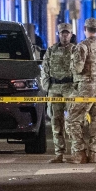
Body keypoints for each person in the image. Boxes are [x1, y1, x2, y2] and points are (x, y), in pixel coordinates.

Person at [65, 17, 96, 163]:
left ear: (85, 29)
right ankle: (93, 153)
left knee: (73, 119)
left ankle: (79, 153)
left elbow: (77, 68)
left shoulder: (82, 46)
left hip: (86, 87)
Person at [40, 22, 77, 163]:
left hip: (70, 88)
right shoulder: (51, 50)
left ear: (71, 34)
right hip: (55, 88)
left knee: (73, 121)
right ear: (59, 34)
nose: (65, 35)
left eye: (67, 33)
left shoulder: (76, 50)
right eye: (62, 33)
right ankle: (59, 153)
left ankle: (76, 152)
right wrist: (47, 87)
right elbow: (45, 69)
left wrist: (78, 87)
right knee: (56, 121)